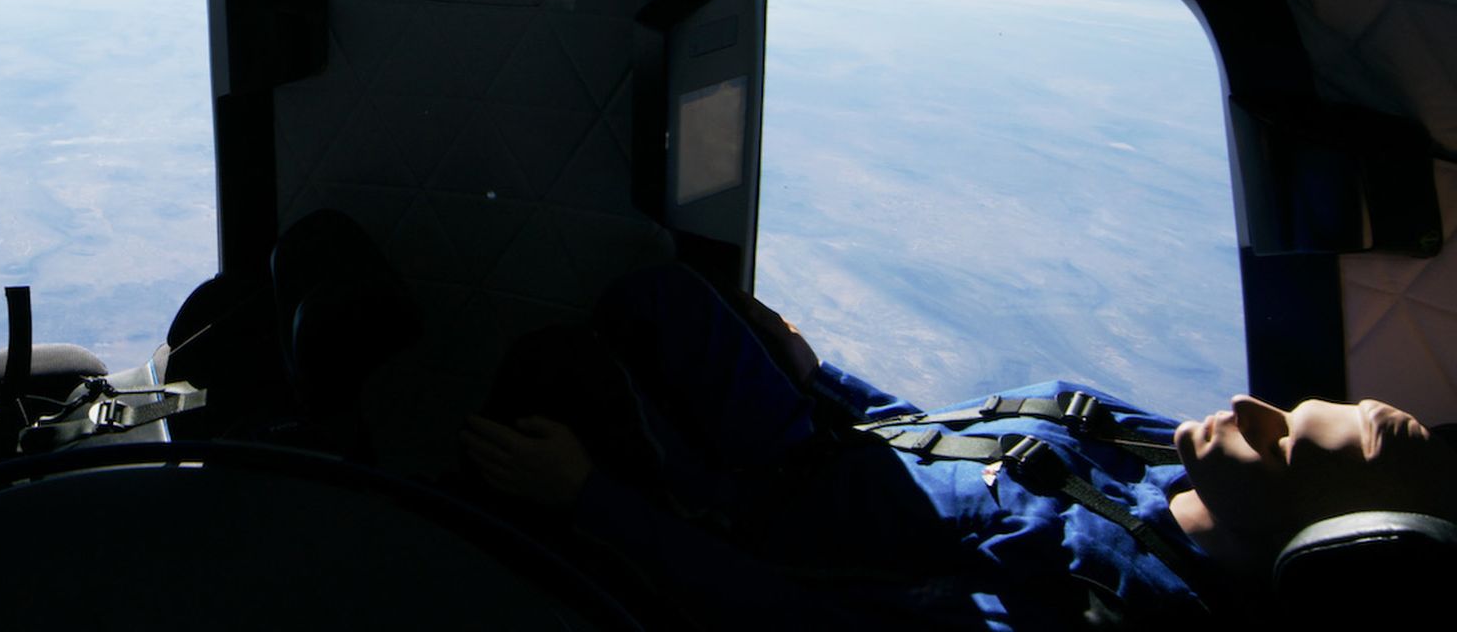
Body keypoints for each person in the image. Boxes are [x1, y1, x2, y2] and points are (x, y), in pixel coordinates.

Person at [460, 263, 1457, 629]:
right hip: (822, 443)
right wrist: (825, 379)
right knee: (661, 294)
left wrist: (590, 497)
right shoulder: (1164, 452)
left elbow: (796, 620)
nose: (1247, 405)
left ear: (1293, 539)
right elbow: (968, 450)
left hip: (749, 521)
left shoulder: (1089, 602)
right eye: (1285, 406)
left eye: (1280, 444)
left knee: (555, 379)